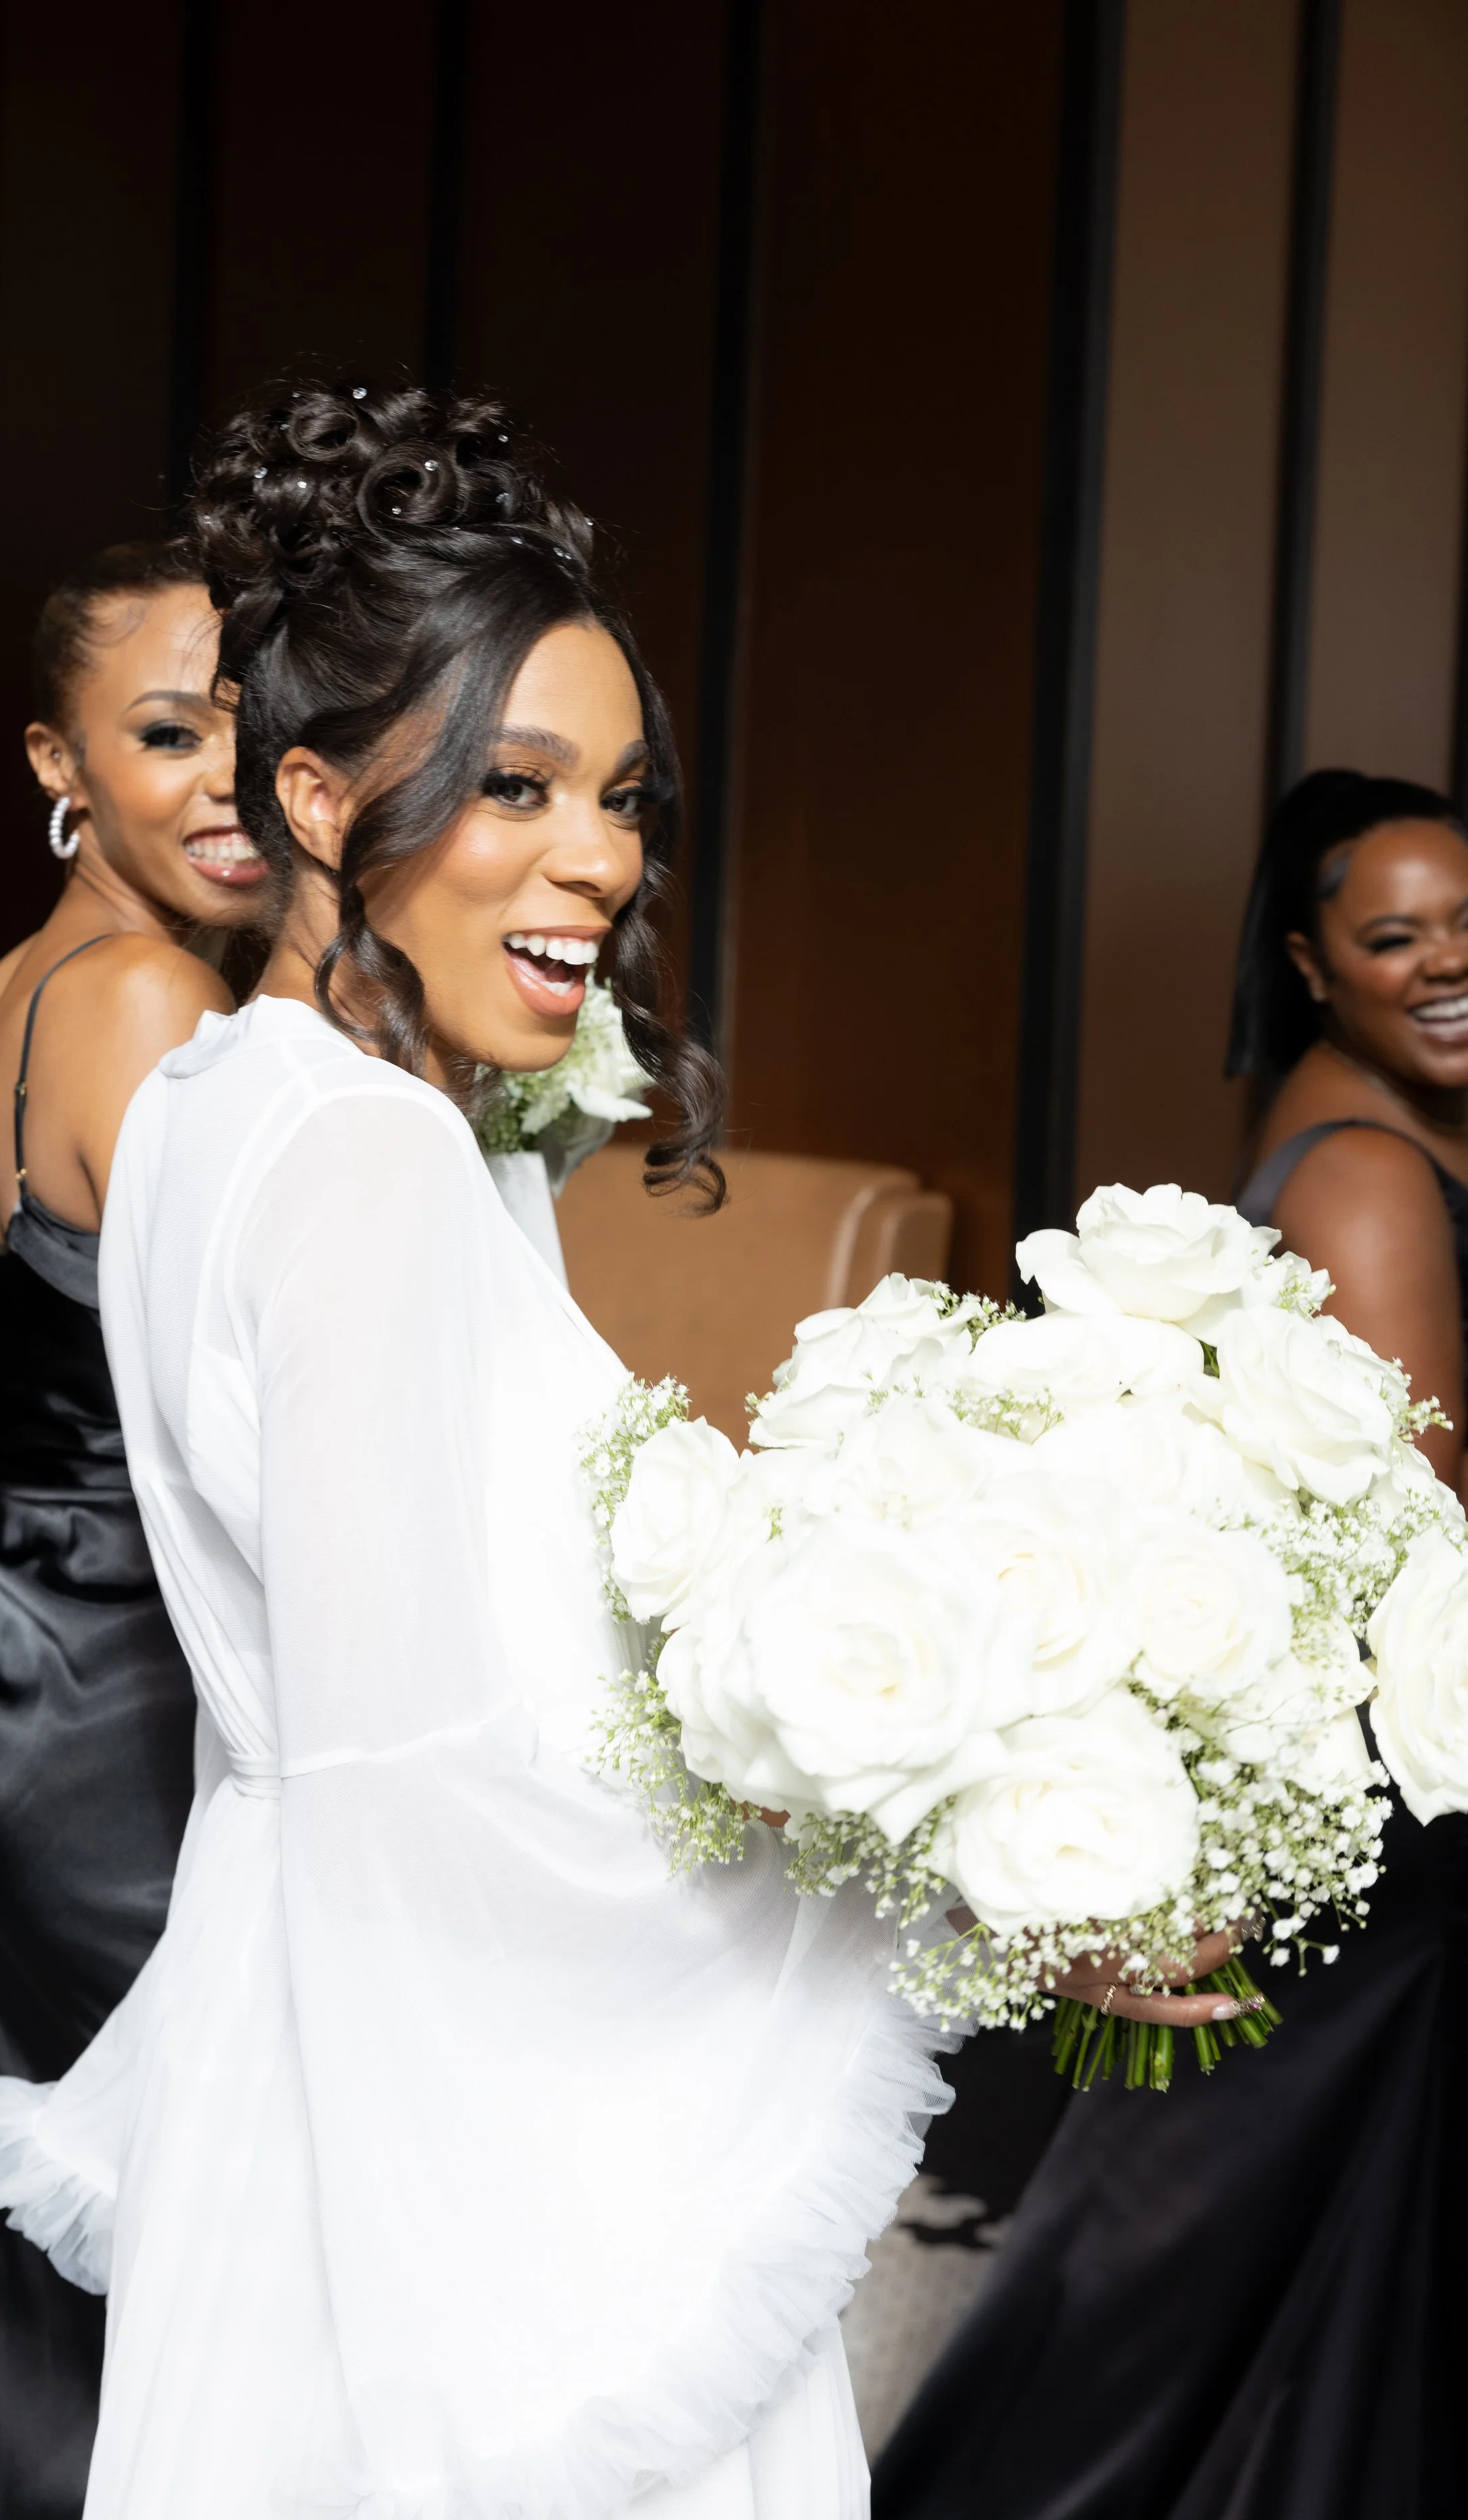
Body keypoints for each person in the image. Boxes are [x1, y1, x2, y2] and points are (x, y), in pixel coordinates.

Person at [0, 385, 1228, 2520]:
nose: (602, 856)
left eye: (622, 793)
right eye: (511, 783)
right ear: (319, 796)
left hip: (312, 2060)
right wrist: (941, 1875)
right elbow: (421, 1779)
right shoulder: (361, 1162)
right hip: (457, 2132)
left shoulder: (209, 1102)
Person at [872, 766, 1468, 2520]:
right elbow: (1423, 1530)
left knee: (1282, 2256)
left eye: (1465, 923)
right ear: (1308, 960)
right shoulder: (1362, 1173)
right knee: (1188, 2273)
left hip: (1383, 1769)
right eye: (1392, 935)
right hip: (1389, 1785)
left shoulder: (1396, 1131)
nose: (1443, 961)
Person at [0, 541, 270, 2520]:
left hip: (9, 1682)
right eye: (165, 732)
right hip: (139, 1707)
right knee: (207, 2252)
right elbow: (270, 1439)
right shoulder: (148, 1002)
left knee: (60, 2276)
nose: (227, 774)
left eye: (252, 722)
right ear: (60, 755)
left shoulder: (19, 984)